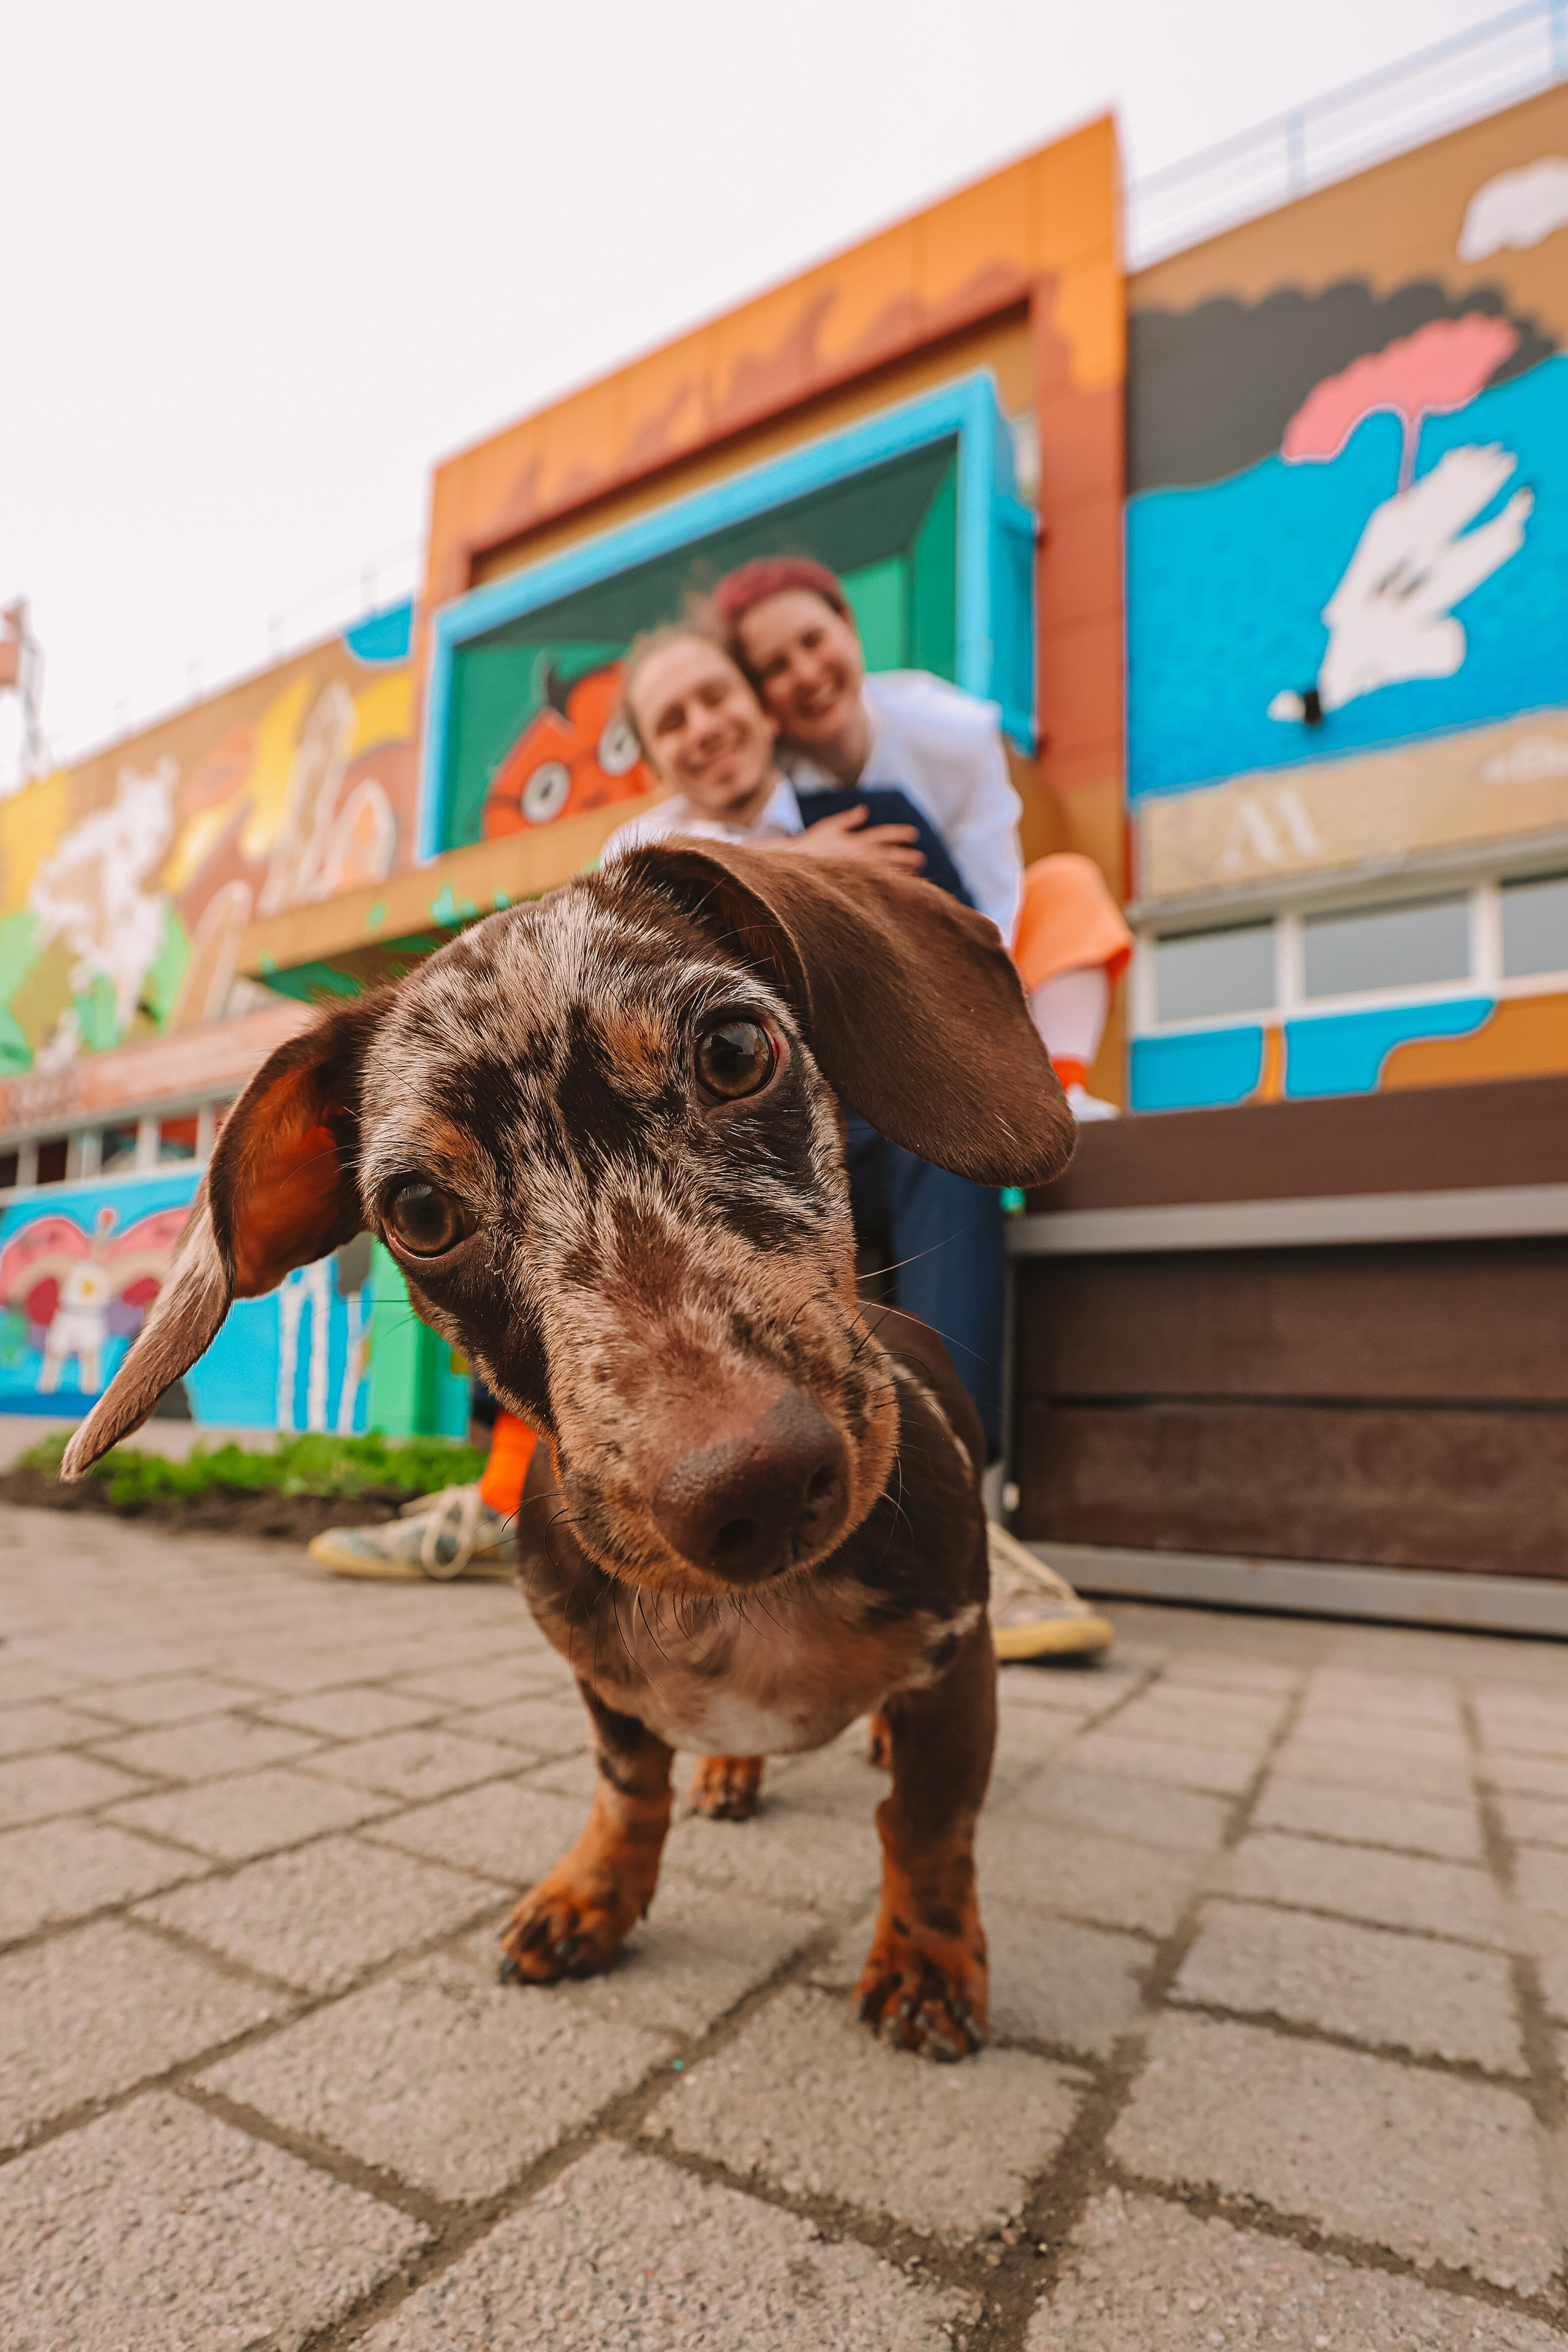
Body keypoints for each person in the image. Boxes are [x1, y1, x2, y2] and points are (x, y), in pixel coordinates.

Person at [712, 556, 1131, 1119]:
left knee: (1064, 887)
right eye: (776, 667)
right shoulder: (760, 769)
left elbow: (995, 895)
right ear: (759, 697)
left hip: (965, 963)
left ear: (849, 626)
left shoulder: (951, 733)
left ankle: (1057, 1090)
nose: (808, 673)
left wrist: (966, 1021)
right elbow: (661, 842)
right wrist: (799, 856)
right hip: (851, 1007)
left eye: (814, 640)